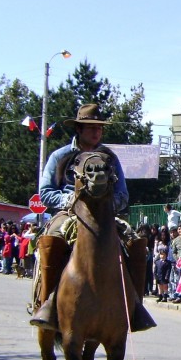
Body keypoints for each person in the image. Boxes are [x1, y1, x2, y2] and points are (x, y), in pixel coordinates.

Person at [30, 103, 151, 332]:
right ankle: (47, 303)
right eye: (90, 127)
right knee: (52, 240)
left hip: (104, 215)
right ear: (79, 129)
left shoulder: (110, 159)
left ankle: (135, 307)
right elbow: (45, 192)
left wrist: (106, 205)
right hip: (67, 213)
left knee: (135, 243)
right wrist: (72, 201)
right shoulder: (61, 156)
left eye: (99, 127)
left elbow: (123, 195)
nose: (96, 132)